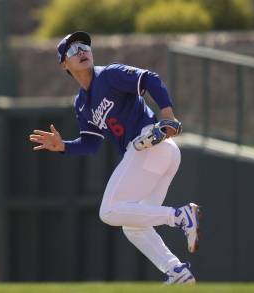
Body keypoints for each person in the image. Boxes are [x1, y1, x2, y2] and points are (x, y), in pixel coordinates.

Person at [29, 31, 201, 284]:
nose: (82, 51)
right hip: (157, 156)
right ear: (64, 64)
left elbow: (149, 79)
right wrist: (63, 146)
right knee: (133, 223)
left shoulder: (108, 75)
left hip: (151, 142)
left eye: (85, 46)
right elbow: (90, 144)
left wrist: (169, 116)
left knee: (108, 211)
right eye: (73, 49)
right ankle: (176, 271)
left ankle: (180, 217)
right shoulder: (81, 104)